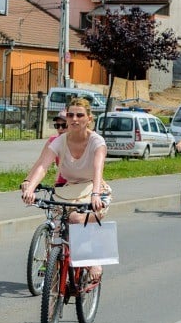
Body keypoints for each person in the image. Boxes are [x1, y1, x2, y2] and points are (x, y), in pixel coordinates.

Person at [20, 98, 112, 281]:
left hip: (94, 187)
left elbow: (97, 168)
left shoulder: (97, 141)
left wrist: (95, 194)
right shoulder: (60, 141)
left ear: (89, 118)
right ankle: (54, 278)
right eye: (70, 115)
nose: (74, 119)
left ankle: (93, 258)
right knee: (56, 227)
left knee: (78, 218)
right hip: (69, 190)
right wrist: (30, 187)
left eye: (80, 115)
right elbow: (43, 166)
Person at [45, 110, 69, 186]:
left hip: (79, 183)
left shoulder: (80, 141)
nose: (60, 129)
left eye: (64, 125)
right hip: (61, 182)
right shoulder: (53, 140)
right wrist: (29, 181)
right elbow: (42, 163)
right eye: (57, 126)